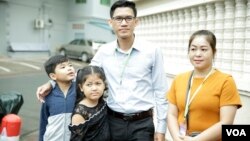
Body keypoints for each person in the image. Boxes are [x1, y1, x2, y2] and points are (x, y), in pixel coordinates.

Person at [36, 1, 168, 141]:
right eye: (118, 19)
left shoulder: (152, 51)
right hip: (112, 121)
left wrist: (161, 129)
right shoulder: (104, 51)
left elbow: (161, 92)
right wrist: (52, 83)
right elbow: (84, 76)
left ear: (136, 22)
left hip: (142, 123)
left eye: (128, 18)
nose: (123, 23)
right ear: (111, 22)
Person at [166, 30, 242, 141]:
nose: (197, 54)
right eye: (193, 49)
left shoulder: (225, 81)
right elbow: (171, 114)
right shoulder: (179, 79)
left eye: (203, 49)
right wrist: (177, 138)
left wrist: (196, 140)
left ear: (214, 52)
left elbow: (226, 122)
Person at [39, 55, 76, 141]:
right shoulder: (48, 95)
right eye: (63, 67)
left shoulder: (80, 90)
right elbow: (43, 122)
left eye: (70, 65)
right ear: (53, 76)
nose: (69, 68)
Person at [68, 65, 110, 141]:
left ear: (104, 85)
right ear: (81, 87)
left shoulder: (103, 103)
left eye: (98, 83)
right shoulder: (80, 112)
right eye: (89, 85)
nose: (94, 88)